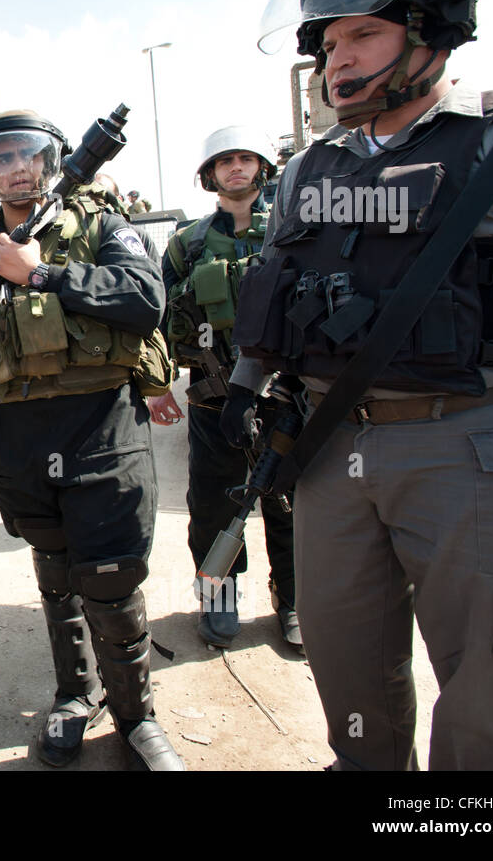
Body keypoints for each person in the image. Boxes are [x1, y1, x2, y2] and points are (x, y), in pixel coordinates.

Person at [225, 0, 493, 770]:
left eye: (360, 36)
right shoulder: (308, 170)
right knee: (349, 679)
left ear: (427, 31)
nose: (337, 62)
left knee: (485, 692)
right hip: (333, 450)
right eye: (328, 44)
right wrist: (245, 390)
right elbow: (281, 291)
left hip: (477, 445)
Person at [0, 109, 183, 771]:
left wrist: (41, 274)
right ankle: (73, 695)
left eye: (29, 154)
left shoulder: (99, 224)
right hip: (19, 440)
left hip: (102, 432)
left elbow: (145, 299)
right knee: (56, 577)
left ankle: (137, 715)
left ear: (52, 161)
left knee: (110, 578)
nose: (18, 167)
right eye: (3, 158)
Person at [158, 126, 301, 651]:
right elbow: (162, 317)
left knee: (290, 498)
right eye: (225, 162)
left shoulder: (294, 228)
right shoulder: (187, 243)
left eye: (245, 159)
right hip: (213, 392)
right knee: (215, 502)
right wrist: (158, 385)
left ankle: (293, 597)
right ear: (210, 174)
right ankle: (218, 595)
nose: (236, 168)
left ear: (262, 168)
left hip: (288, 392)